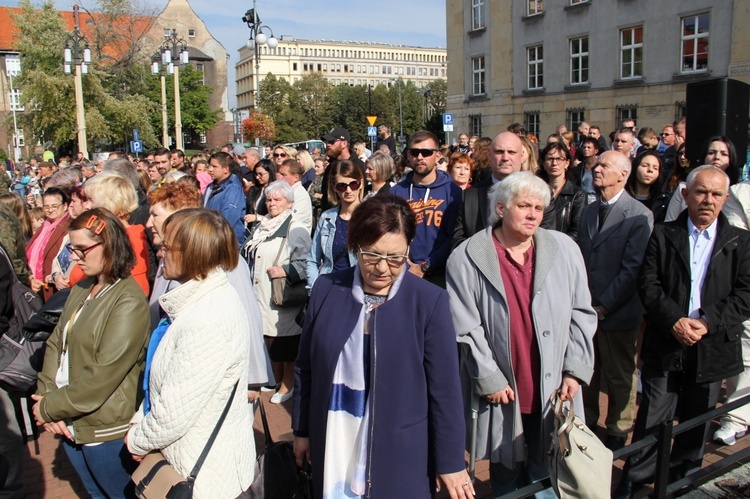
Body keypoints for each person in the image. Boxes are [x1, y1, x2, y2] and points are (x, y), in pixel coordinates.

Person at [293, 194, 474, 498]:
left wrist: (451, 461)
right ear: (355, 247)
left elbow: (445, 391)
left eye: (395, 258)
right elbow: (305, 368)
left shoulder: (429, 302)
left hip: (400, 452)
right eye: (372, 255)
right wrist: (302, 431)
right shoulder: (327, 290)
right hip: (336, 439)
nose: (382, 268)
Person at [446, 172, 596, 497]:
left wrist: (575, 369)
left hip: (554, 384)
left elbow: (582, 313)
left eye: (539, 208)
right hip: (503, 390)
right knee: (505, 471)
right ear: (501, 208)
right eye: (524, 205)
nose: (532, 215)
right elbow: (465, 326)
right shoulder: (466, 257)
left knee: (549, 468)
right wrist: (489, 377)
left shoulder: (565, 250)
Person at [616, 166, 750, 498]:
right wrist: (674, 320)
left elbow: (746, 293)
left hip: (712, 345)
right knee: (652, 417)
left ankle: (681, 481)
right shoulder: (662, 234)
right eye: (701, 192)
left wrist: (707, 321)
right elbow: (648, 284)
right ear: (686, 195)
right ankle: (636, 479)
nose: (708, 200)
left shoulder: (740, 241)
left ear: (725, 198)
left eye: (717, 194)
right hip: (666, 341)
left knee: (698, 418)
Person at [126, 209, 255, 498]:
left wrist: (137, 440)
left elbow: (173, 413)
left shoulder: (206, 319)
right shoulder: (199, 302)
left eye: (166, 247)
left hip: (205, 475)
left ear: (194, 253)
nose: (159, 252)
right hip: (192, 457)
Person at [31, 208, 150, 499]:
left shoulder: (128, 301)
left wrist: (47, 408)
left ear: (109, 245)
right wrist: (46, 394)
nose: (74, 257)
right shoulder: (83, 287)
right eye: (72, 248)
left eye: (82, 249)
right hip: (70, 420)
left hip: (105, 428)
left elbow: (101, 376)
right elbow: (56, 344)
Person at [578, 151, 654, 451]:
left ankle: (619, 429)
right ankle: (588, 421)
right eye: (596, 165)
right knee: (587, 372)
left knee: (620, 375)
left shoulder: (638, 215)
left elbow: (633, 268)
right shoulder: (587, 211)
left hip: (618, 312)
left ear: (623, 174)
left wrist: (605, 306)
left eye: (604, 165)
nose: (597, 169)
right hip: (587, 310)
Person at [243, 180, 311, 404]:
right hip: (259, 293)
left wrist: (286, 270)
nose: (272, 204)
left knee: (285, 341)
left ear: (289, 203)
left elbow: (307, 264)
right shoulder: (263, 226)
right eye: (269, 199)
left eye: (277, 200)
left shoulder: (295, 229)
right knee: (268, 338)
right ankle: (275, 378)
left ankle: (288, 384)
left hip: (282, 294)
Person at [390, 130, 462, 285]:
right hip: (403, 272)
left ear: (437, 156)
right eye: (415, 152)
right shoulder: (396, 192)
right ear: (408, 156)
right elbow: (390, 234)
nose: (420, 157)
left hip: (440, 275)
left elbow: (454, 237)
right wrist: (406, 265)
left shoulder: (453, 192)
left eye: (426, 152)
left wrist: (426, 266)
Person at [84, 173, 150, 296]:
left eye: (91, 200)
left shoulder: (130, 240)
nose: (86, 206)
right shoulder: (109, 235)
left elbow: (135, 295)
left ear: (111, 204)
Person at [306, 159, 362, 292]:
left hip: (359, 289)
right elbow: (313, 259)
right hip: (329, 288)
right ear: (334, 187)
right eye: (342, 186)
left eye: (353, 184)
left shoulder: (371, 216)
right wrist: (316, 289)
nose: (348, 190)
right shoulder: (327, 218)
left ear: (360, 184)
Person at [665, 136, 741, 221]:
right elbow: (670, 223)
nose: (717, 157)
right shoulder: (684, 188)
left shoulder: (738, 193)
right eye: (711, 153)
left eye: (724, 154)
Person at [26, 187, 71, 300]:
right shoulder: (45, 226)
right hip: (37, 285)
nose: (50, 210)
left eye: (54, 206)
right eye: (46, 207)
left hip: (54, 287)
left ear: (65, 206)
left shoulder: (69, 227)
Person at [537, 142, 586, 240]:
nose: (554, 163)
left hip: (564, 247)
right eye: (550, 159)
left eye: (559, 159)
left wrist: (555, 243)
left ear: (567, 163)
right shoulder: (536, 191)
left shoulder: (577, 195)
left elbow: (577, 230)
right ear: (543, 163)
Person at [204, 151, 247, 246]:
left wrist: (212, 235)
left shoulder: (233, 189)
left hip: (226, 243)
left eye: (214, 167)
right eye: (209, 166)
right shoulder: (211, 187)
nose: (210, 169)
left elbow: (228, 219)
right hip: (210, 239)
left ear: (225, 169)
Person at [626, 151, 670, 223]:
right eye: (644, 166)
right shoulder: (622, 196)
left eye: (655, 168)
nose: (650, 170)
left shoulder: (663, 201)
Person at [244, 159, 275, 233]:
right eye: (255, 174)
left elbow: (276, 217)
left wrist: (257, 217)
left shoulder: (275, 191)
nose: (257, 177)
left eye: (260, 174)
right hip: (251, 230)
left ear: (269, 173)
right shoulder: (253, 190)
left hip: (266, 230)